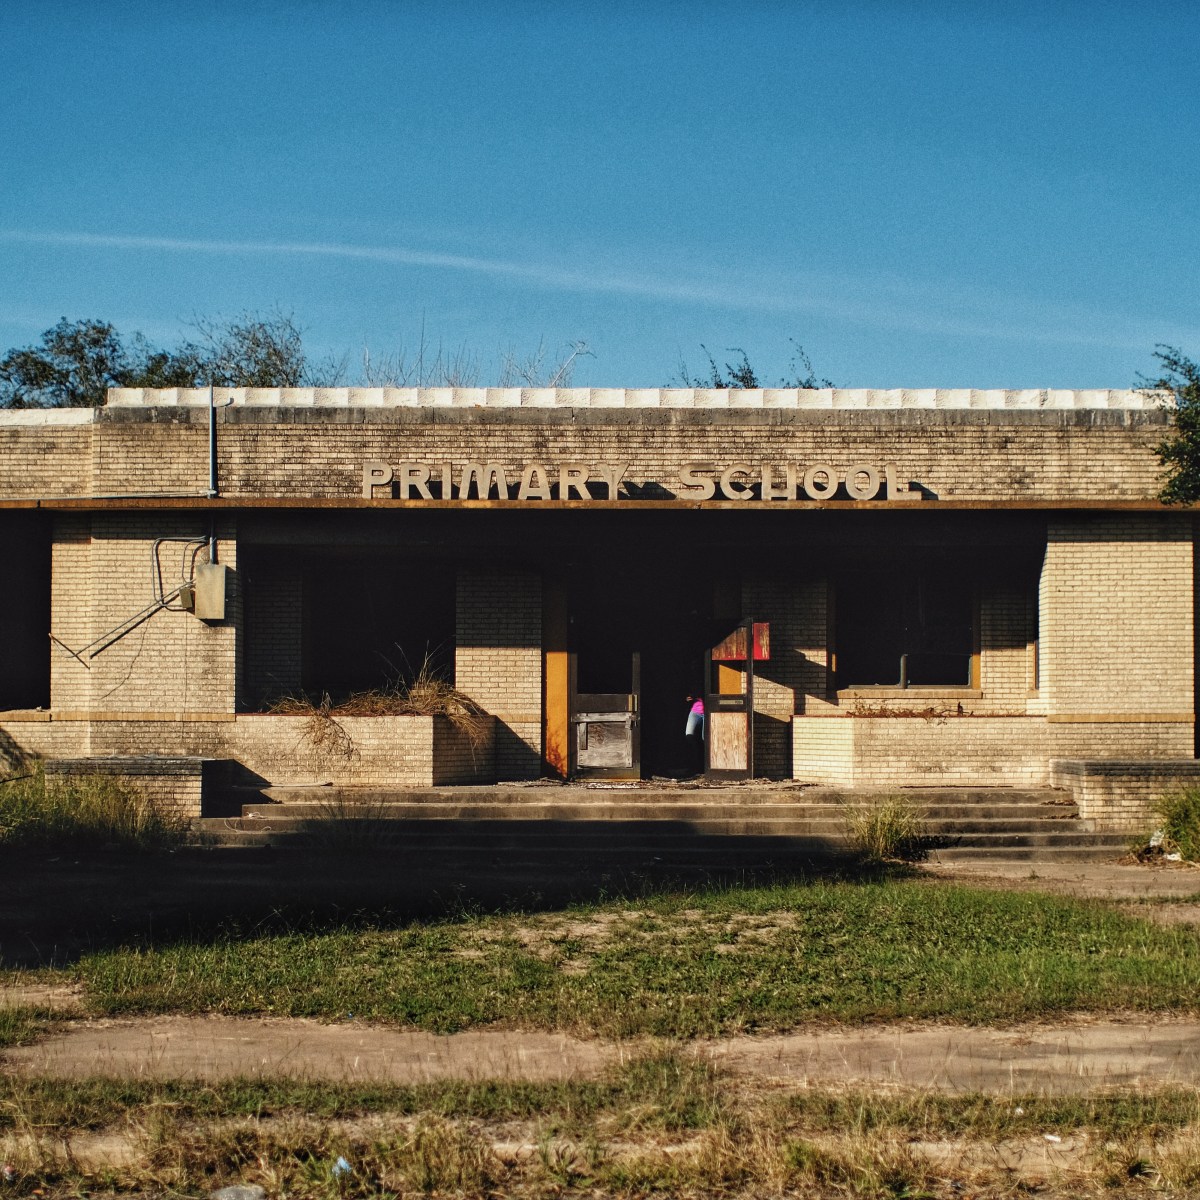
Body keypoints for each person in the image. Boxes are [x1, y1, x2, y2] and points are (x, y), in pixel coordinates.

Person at [684, 693, 705, 776]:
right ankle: (693, 766)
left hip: (708, 710)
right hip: (695, 711)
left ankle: (704, 767)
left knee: (705, 739)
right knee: (689, 735)